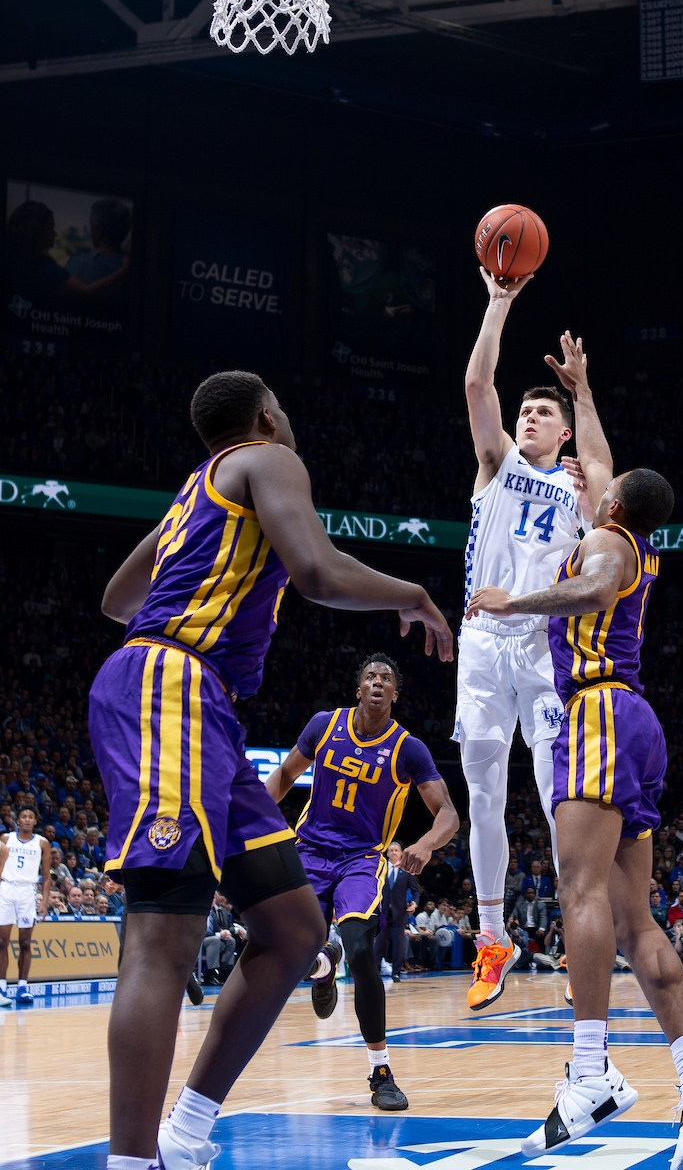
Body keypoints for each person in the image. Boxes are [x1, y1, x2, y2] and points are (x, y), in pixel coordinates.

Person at [88, 370, 453, 1170]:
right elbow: (317, 571)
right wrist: (412, 592)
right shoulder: (268, 458)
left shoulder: (195, 493)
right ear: (264, 416)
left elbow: (117, 598)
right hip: (170, 690)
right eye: (282, 410)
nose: (287, 421)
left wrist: (187, 575)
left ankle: (184, 1136)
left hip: (204, 706)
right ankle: (130, 1163)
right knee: (162, 939)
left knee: (293, 931)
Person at [465, 333, 683, 1168]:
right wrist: (582, 391)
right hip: (635, 722)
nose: (588, 472)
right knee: (631, 920)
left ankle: (592, 1074)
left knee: (576, 887)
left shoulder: (606, 544)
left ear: (614, 499)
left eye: (601, 479)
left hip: (596, 713)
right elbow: (600, 462)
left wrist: (515, 603)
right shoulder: (630, 537)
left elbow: (586, 588)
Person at [456, 270, 598, 1011]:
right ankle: (492, 937)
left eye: (544, 411)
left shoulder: (580, 488)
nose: (530, 417)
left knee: (553, 799)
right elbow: (477, 385)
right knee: (483, 794)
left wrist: (582, 391)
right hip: (484, 642)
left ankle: (580, 939)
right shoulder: (498, 463)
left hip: (544, 644)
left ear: (565, 429)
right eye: (526, 411)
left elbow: (605, 473)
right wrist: (499, 302)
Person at [266, 653, 458, 1110]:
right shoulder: (324, 725)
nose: (377, 682)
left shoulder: (408, 748)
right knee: (289, 951)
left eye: (386, 678)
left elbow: (448, 814)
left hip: (361, 859)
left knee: (359, 949)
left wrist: (426, 844)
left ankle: (381, 1071)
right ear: (358, 689)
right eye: (370, 676)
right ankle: (322, 967)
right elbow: (286, 775)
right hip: (309, 850)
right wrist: (249, 819)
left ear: (394, 694)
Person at [0, 806, 50, 1006]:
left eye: (31, 817)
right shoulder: (6, 839)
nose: (27, 819)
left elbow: (46, 875)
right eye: (23, 816)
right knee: (1, 942)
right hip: (6, 889)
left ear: (35, 821)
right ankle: (1, 987)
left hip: (28, 892)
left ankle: (22, 987)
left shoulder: (42, 843)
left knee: (26, 942)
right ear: (17, 820)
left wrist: (44, 901)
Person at [374, 840, 421, 982]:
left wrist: (414, 903)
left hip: (399, 913)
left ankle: (396, 972)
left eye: (396, 850)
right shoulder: (381, 868)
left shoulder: (406, 870)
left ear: (401, 853)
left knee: (398, 945)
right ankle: (375, 973)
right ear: (387, 853)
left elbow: (415, 890)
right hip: (383, 912)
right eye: (391, 850)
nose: (394, 853)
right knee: (379, 943)